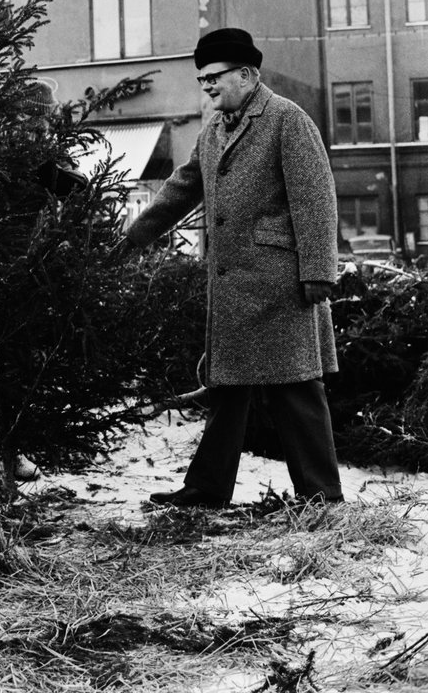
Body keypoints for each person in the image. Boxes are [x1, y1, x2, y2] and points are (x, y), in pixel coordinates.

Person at [124, 27, 342, 508]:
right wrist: (134, 236)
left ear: (247, 74)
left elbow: (315, 199)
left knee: (297, 388)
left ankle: (323, 499)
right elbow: (182, 188)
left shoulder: (287, 119)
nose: (206, 86)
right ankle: (206, 489)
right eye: (201, 79)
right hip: (234, 286)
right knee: (227, 388)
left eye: (215, 77)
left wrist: (318, 271)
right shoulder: (216, 129)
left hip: (284, 284)